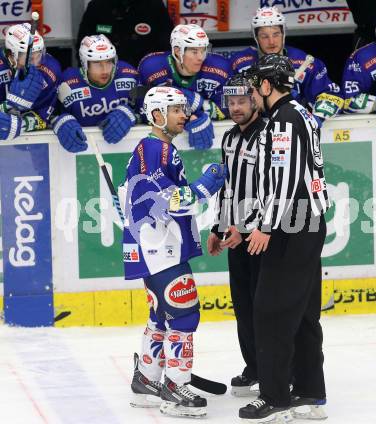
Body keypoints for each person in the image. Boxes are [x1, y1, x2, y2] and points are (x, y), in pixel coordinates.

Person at [121, 86, 227, 417]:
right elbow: (172, 201)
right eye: (177, 109)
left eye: (184, 108)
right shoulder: (156, 151)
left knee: (160, 315)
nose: (186, 115)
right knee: (184, 313)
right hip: (159, 248)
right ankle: (174, 387)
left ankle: (147, 380)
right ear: (156, 115)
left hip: (155, 246)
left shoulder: (156, 149)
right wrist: (207, 184)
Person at [237, 54, 329, 423]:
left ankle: (275, 396)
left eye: (255, 85)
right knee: (303, 312)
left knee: (270, 310)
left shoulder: (284, 120)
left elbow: (287, 179)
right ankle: (310, 390)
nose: (252, 93)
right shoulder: (301, 112)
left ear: (266, 85)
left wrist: (266, 225)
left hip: (292, 224)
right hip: (306, 222)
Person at [207, 74, 265, 397]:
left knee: (264, 307)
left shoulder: (268, 136)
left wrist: (247, 229)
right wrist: (218, 227)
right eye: (231, 102)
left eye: (242, 101)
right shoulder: (229, 139)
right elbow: (226, 189)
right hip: (234, 237)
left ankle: (274, 369)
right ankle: (254, 367)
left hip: (260, 237)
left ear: (254, 100)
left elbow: (270, 190)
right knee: (243, 306)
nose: (236, 107)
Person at [230, 6, 343, 125]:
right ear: (256, 38)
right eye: (264, 36)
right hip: (254, 132)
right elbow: (226, 99)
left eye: (276, 34)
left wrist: (315, 119)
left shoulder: (302, 62)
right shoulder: (241, 63)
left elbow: (332, 95)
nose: (272, 42)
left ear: (283, 34)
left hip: (294, 128)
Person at [138, 24, 231, 150]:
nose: (200, 57)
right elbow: (140, 107)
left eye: (203, 50)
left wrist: (196, 110)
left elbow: (229, 107)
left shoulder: (219, 67)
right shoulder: (151, 68)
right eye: (194, 51)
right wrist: (189, 116)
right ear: (177, 51)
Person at [53, 34, 139, 153]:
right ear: (84, 63)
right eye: (97, 64)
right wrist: (60, 122)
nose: (105, 70)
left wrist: (132, 115)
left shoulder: (129, 75)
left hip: (127, 150)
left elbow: (151, 110)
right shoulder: (67, 83)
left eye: (109, 62)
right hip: (82, 155)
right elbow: (50, 113)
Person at [0, 23, 61, 141]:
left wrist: (23, 123)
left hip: (33, 143)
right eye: (28, 57)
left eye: (38, 55)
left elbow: (45, 115)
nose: (34, 63)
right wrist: (9, 106)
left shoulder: (51, 69)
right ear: (11, 56)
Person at [76, 0, 174, 67]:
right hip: (106, 75)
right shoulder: (97, 6)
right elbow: (82, 47)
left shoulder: (154, 6)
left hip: (144, 74)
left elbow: (167, 46)